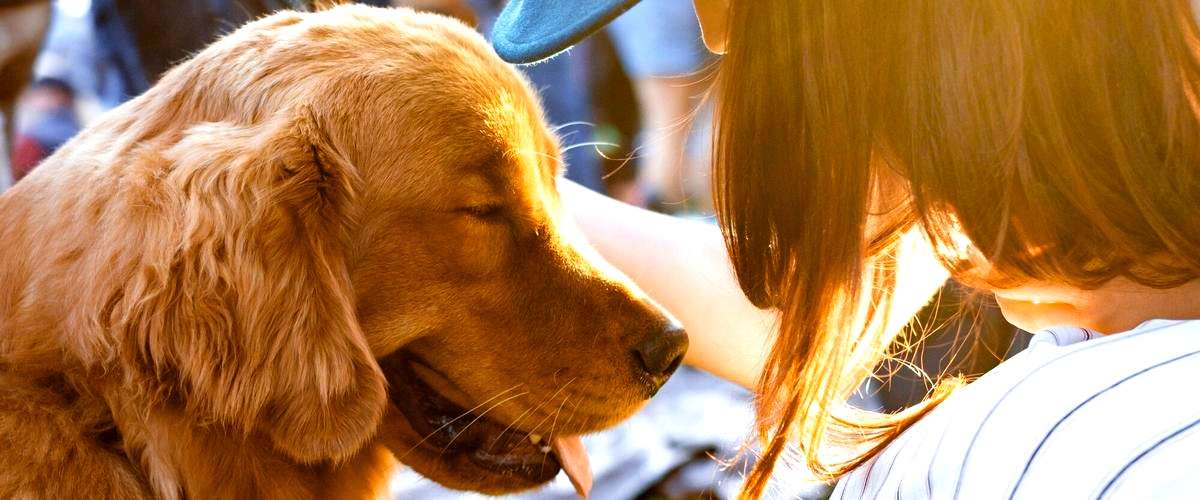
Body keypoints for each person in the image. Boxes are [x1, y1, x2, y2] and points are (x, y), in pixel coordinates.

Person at [492, 0, 1200, 498]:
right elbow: (798, 318)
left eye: (739, 8)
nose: (713, 36)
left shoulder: (1049, 453)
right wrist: (488, 205)